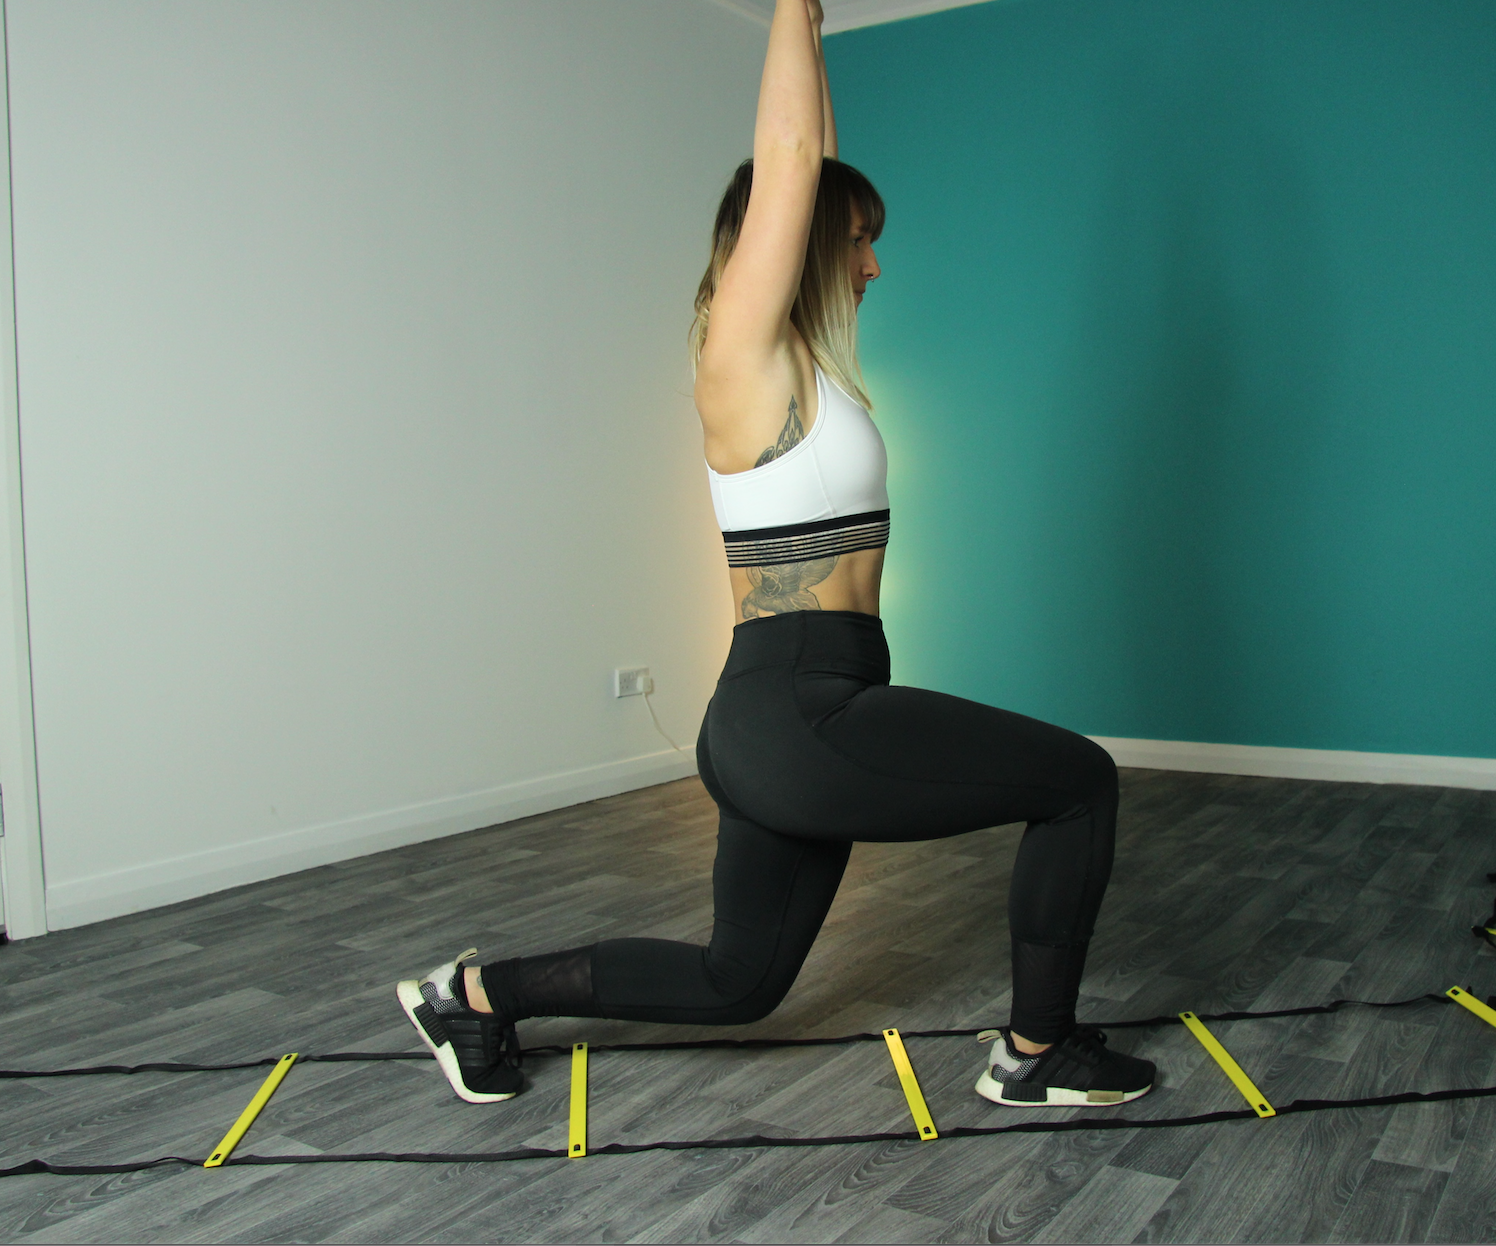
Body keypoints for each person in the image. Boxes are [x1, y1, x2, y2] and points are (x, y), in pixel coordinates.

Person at [397, 0, 1154, 1111]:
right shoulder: (739, 360)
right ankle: (1037, 1053)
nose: (873, 265)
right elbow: (793, 161)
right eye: (859, 240)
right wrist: (798, 6)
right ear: (796, 238)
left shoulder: (807, 370)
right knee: (1078, 782)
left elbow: (814, 167)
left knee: (736, 981)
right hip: (797, 712)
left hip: (799, 709)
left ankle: (471, 992)